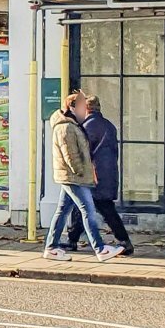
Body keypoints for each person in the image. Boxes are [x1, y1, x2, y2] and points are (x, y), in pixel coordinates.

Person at [44, 90, 125, 262]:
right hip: (74, 177)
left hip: (72, 176)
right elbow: (71, 155)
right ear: (72, 108)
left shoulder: (73, 125)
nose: (83, 111)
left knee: (63, 211)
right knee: (87, 210)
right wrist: (82, 172)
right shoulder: (66, 127)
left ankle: (51, 247)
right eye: (81, 107)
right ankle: (100, 249)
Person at [62, 94, 133, 256]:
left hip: (94, 176)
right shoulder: (108, 125)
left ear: (86, 109)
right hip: (107, 175)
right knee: (90, 209)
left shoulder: (87, 127)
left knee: (95, 209)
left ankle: (124, 242)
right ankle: (72, 239)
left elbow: (84, 153)